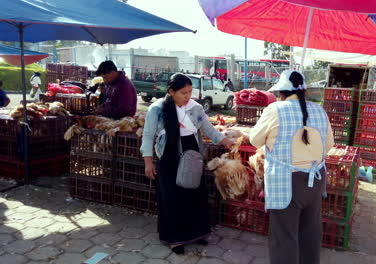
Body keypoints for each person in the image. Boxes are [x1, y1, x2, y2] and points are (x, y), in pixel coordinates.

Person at [140, 73, 235, 255]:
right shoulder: (157, 109)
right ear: (171, 92)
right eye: (183, 93)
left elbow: (208, 129)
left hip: (192, 154)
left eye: (190, 92)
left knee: (194, 194)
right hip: (168, 156)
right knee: (172, 198)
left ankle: (197, 233)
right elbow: (148, 135)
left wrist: (224, 141)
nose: (188, 96)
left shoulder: (196, 108)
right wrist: (148, 162)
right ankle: (175, 239)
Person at [249, 70, 334, 264]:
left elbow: (255, 140)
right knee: (310, 232)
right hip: (315, 180)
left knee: (284, 236)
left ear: (282, 92)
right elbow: (328, 145)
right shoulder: (319, 110)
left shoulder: (275, 109)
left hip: (286, 182)